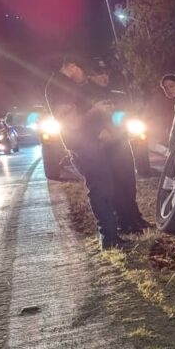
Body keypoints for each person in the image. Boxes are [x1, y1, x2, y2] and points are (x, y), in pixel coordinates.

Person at [46, 53, 124, 250]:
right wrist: (96, 111)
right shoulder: (60, 87)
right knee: (99, 188)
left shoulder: (63, 86)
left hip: (89, 143)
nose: (84, 76)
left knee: (104, 186)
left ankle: (112, 235)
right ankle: (108, 237)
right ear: (72, 66)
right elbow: (72, 123)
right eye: (83, 71)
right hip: (83, 146)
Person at [87, 60, 147, 234]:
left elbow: (125, 114)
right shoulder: (86, 95)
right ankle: (124, 221)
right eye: (99, 73)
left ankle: (135, 217)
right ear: (90, 75)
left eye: (106, 72)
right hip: (104, 147)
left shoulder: (115, 93)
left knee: (129, 181)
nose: (104, 76)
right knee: (115, 186)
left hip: (120, 141)